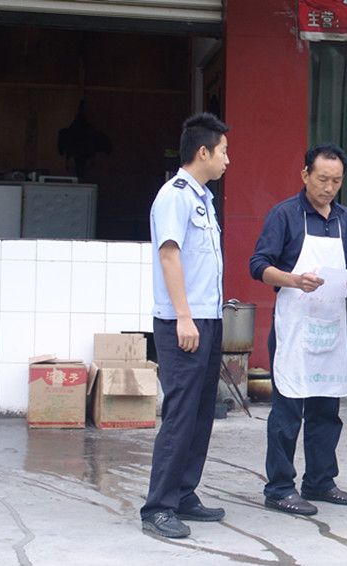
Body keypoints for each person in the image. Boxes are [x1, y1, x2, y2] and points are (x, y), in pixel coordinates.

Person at [249, 142, 347, 516]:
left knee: (326, 408)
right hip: (294, 327)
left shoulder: (346, 220)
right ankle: (279, 487)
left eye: (337, 181)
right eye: (322, 179)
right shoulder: (285, 215)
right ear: (305, 175)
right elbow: (258, 265)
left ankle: (320, 481)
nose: (329, 188)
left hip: (330, 325)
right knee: (287, 410)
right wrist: (294, 280)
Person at [140, 112, 229, 539]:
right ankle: (158, 507)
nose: (228, 159)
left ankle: (183, 492)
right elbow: (169, 255)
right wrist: (183, 316)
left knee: (201, 412)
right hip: (184, 323)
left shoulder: (203, 199)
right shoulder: (173, 196)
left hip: (207, 319)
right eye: (224, 151)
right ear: (203, 152)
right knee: (180, 414)